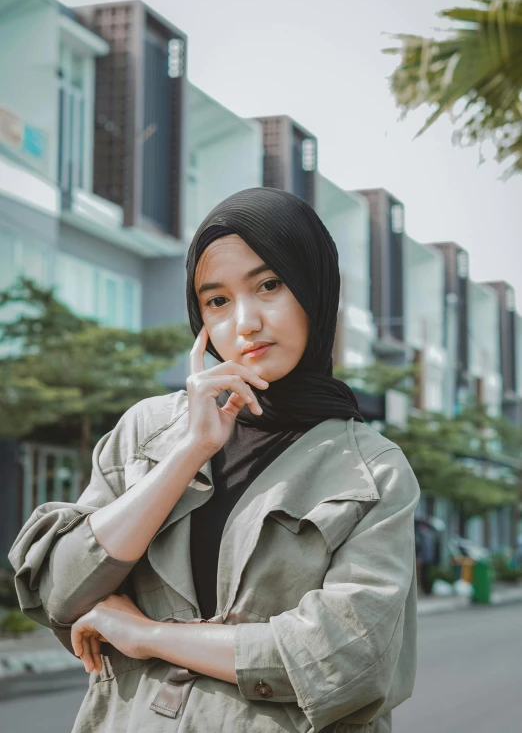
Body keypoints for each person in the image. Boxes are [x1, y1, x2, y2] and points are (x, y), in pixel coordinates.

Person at [9, 187, 420, 733]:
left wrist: (147, 635)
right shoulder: (146, 432)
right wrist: (190, 449)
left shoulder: (371, 470)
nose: (245, 322)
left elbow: (348, 659)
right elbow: (60, 592)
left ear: (315, 291)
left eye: (269, 285)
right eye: (217, 301)